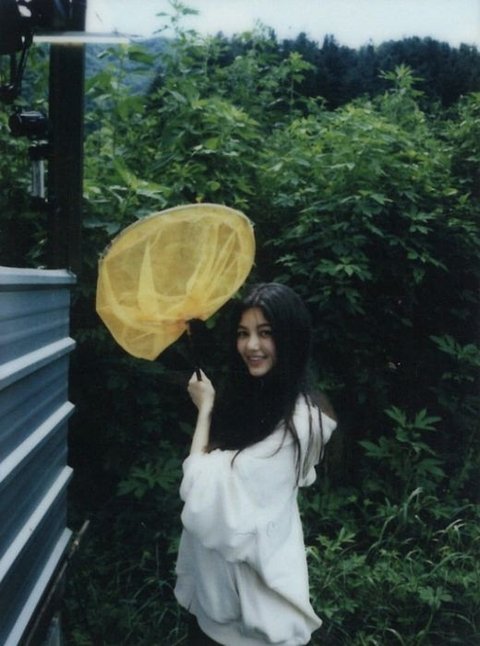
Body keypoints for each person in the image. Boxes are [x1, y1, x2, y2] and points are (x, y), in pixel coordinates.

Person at [175, 283, 337, 645]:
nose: (251, 345)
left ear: (291, 338)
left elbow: (199, 491)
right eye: (243, 333)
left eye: (265, 333)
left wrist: (205, 410)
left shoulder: (301, 422)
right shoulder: (255, 397)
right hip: (213, 608)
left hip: (256, 624)